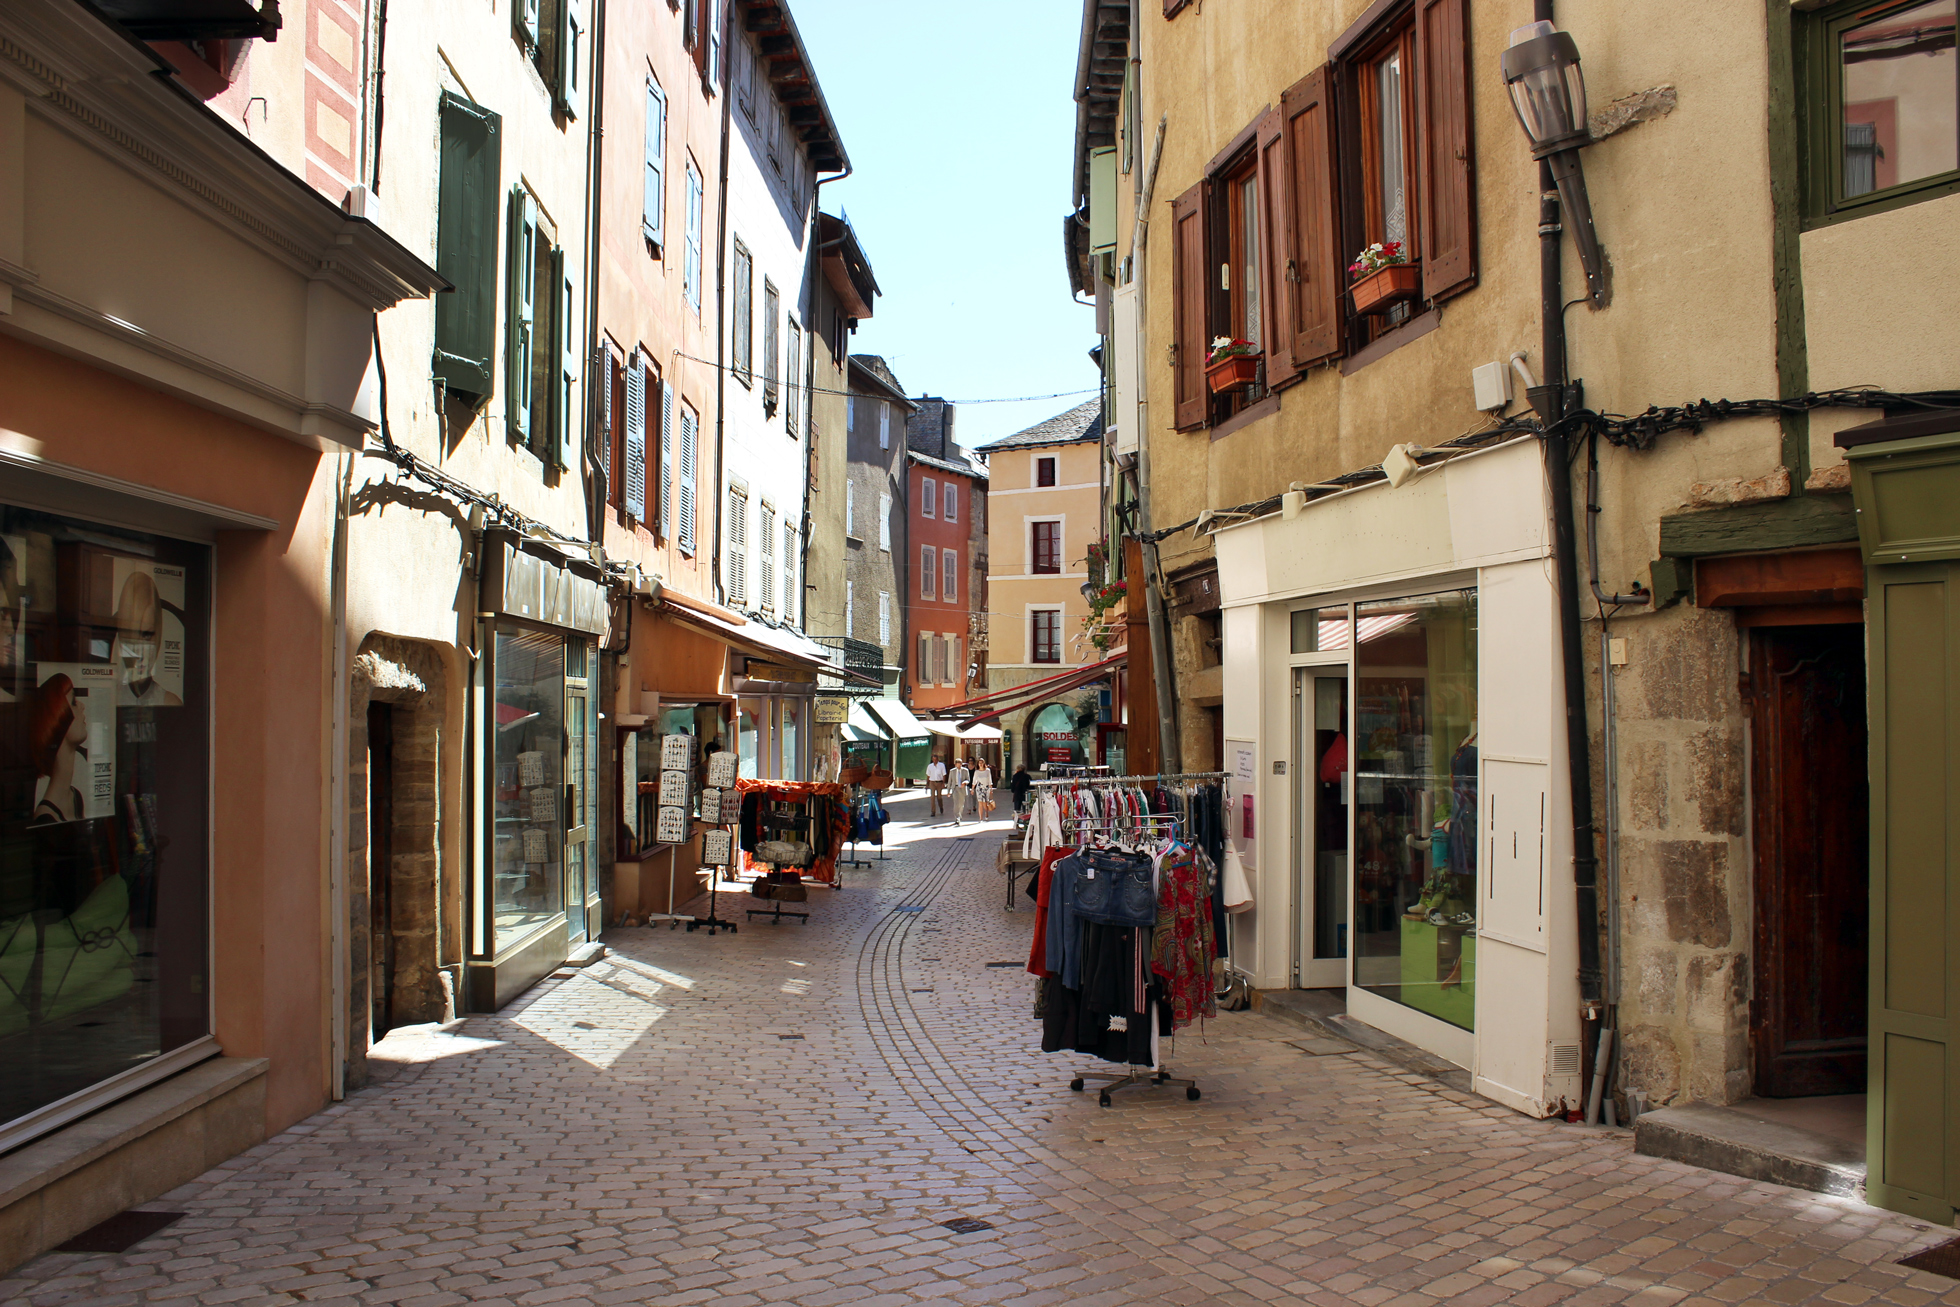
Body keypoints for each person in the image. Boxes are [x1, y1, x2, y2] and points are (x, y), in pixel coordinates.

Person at [949, 757, 971, 825]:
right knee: (956, 803)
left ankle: (960, 815)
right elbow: (950, 781)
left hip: (962, 788)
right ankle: (957, 817)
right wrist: (948, 791)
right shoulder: (952, 771)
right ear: (955, 764)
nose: (959, 765)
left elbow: (968, 779)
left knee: (961, 804)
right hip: (955, 788)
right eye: (957, 764)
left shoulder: (965, 770)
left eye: (960, 764)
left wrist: (964, 782)